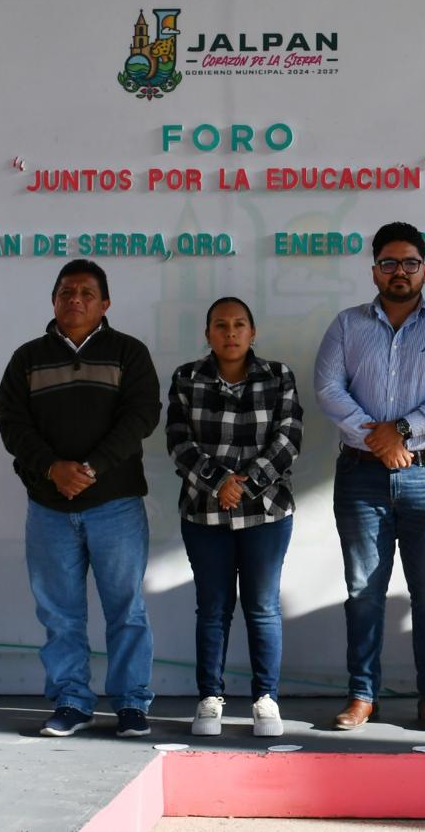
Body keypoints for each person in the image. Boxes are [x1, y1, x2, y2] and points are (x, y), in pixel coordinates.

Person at [314, 221, 425, 731]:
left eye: (410, 263)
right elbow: (328, 388)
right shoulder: (347, 325)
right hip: (360, 476)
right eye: (389, 263)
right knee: (363, 590)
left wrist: (402, 432)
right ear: (374, 271)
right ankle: (362, 694)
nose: (399, 272)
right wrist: (379, 440)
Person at [0, 259, 160, 738]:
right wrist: (53, 469)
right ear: (53, 300)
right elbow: (12, 424)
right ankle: (71, 701)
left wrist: (91, 468)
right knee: (59, 613)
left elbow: (141, 416)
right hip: (49, 507)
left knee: (126, 609)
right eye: (66, 292)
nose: (76, 300)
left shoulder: (128, 353)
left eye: (87, 293)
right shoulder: (27, 358)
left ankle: (131, 703)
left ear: (105, 303)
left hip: (116, 504)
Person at [166, 297, 304, 738]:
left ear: (253, 332)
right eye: (221, 325)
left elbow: (289, 438)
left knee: (262, 608)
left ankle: (266, 698)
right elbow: (178, 442)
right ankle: (210, 697)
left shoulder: (278, 376)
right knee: (213, 609)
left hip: (267, 513)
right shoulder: (187, 378)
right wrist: (218, 482)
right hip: (205, 513)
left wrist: (245, 484)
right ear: (208, 333)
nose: (230, 333)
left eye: (239, 324)